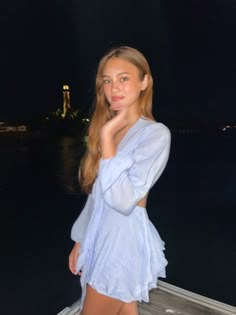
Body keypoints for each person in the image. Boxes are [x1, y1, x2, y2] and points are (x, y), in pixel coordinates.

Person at [69, 46, 171, 315]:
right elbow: (98, 195)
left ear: (144, 82)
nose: (114, 87)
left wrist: (107, 137)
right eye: (107, 80)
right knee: (126, 309)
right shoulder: (110, 129)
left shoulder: (155, 134)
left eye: (124, 78)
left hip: (122, 242)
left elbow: (124, 200)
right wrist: (81, 238)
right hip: (101, 236)